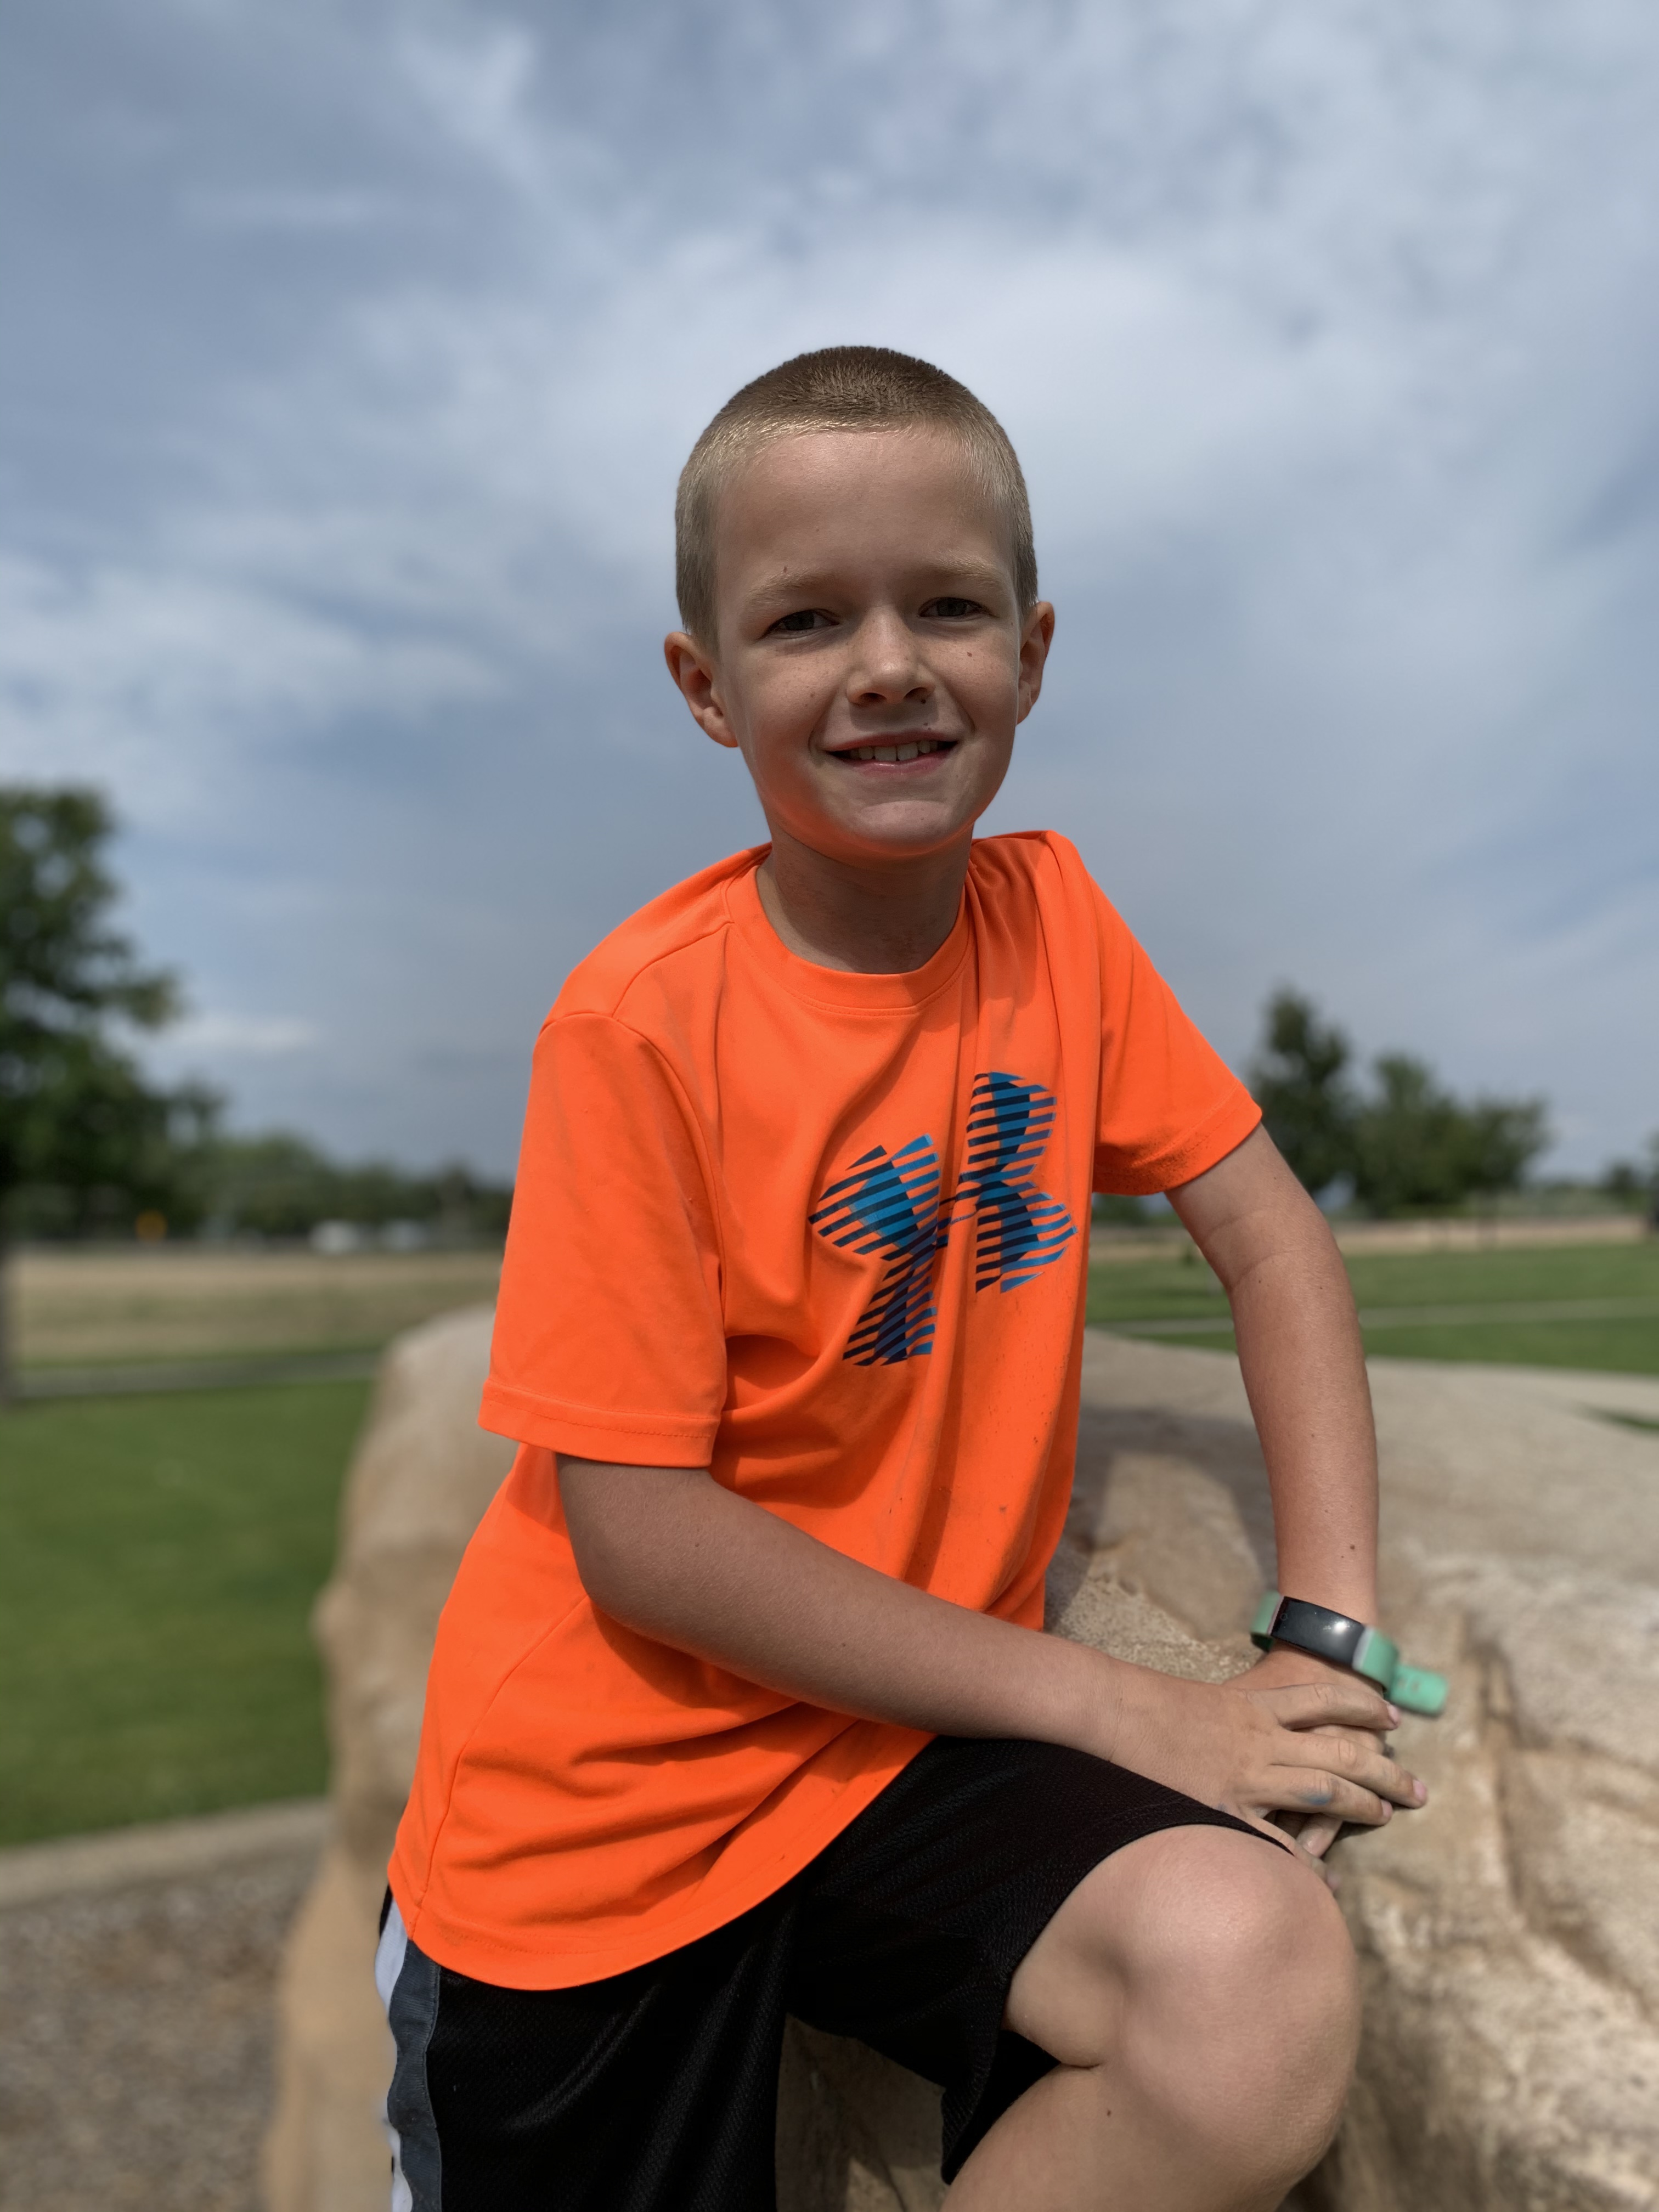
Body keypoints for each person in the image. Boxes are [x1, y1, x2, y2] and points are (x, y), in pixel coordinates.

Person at [377, 346, 1425, 2212]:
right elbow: (642, 1535)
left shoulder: (1057, 924)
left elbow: (1271, 1235)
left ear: (1032, 649)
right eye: (806, 619)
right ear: (707, 686)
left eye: (946, 605)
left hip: (905, 1751)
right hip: (608, 1817)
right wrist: (1125, 1707)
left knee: (1246, 1987)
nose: (888, 665)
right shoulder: (638, 1029)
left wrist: (1325, 1633)